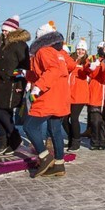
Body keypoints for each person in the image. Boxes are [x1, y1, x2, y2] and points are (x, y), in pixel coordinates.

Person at [24, 21, 71, 177]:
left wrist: (38, 88)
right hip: (61, 96)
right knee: (55, 129)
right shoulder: (60, 53)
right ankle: (59, 164)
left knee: (29, 126)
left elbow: (52, 70)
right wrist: (26, 75)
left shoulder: (43, 51)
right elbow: (70, 66)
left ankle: (45, 157)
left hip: (49, 96)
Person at [0, 15, 30, 155]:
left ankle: (15, 138)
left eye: (6, 31)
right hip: (0, 84)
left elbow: (24, 67)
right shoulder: (2, 46)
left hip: (13, 84)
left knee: (3, 112)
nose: (4, 33)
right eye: (3, 30)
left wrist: (19, 82)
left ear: (13, 31)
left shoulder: (21, 45)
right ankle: (3, 144)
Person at [62, 39, 90, 151]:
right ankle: (71, 138)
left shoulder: (86, 62)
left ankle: (76, 141)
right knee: (64, 119)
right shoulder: (71, 59)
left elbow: (88, 72)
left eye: (83, 49)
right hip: (68, 94)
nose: (80, 51)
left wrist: (91, 68)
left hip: (79, 95)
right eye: (79, 49)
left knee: (74, 118)